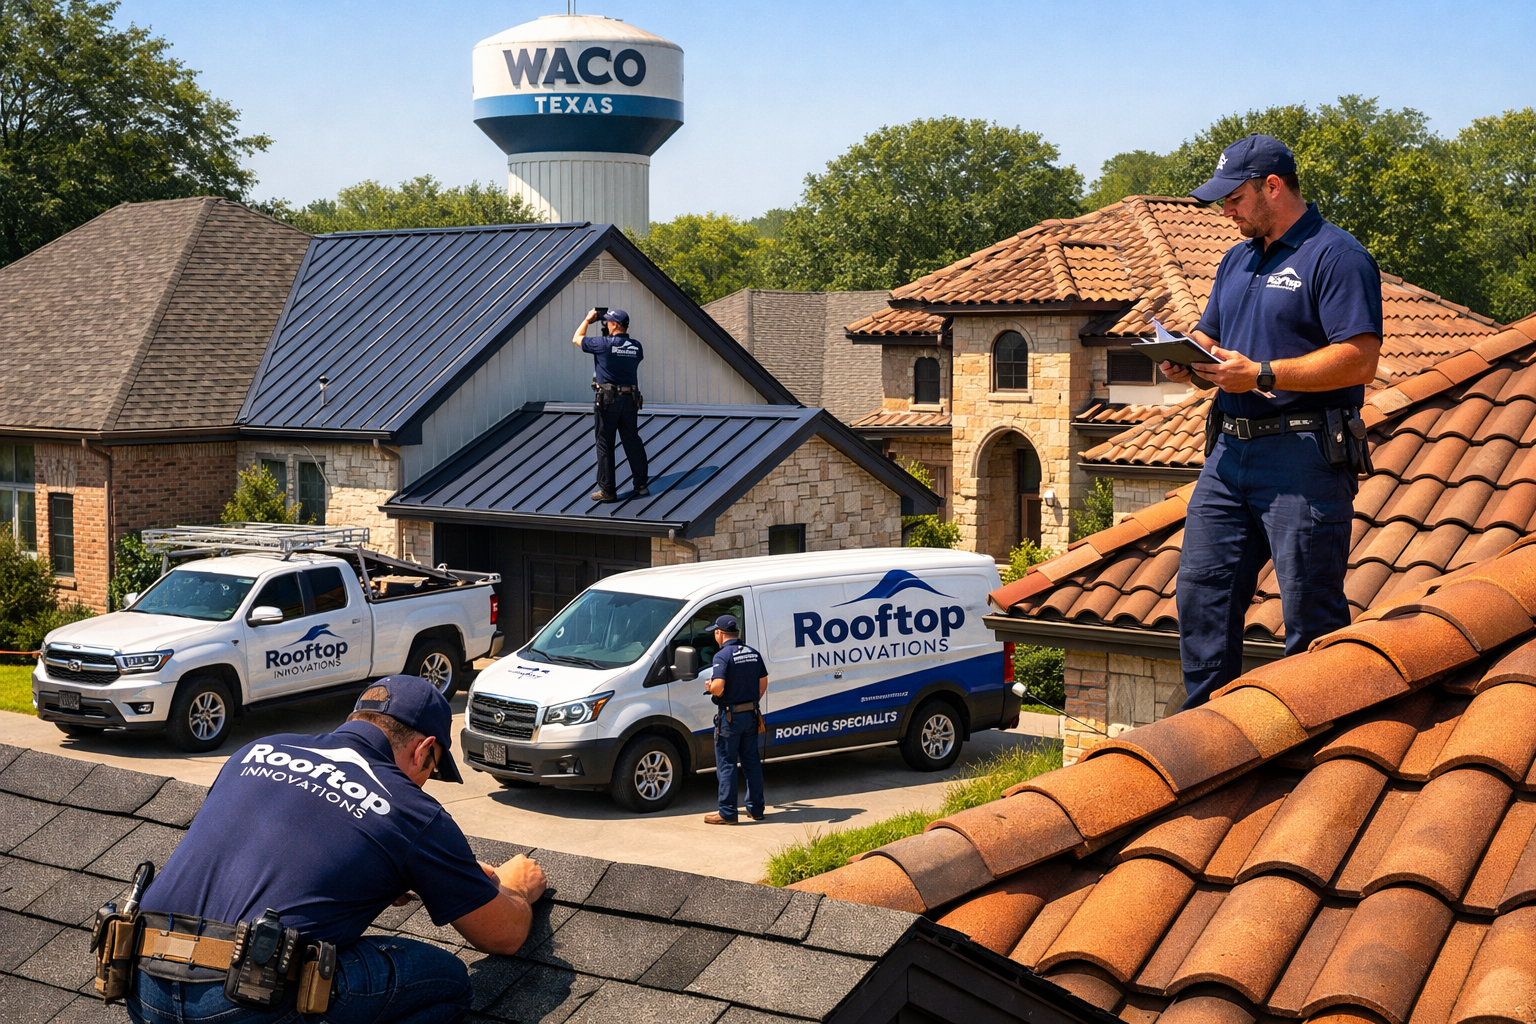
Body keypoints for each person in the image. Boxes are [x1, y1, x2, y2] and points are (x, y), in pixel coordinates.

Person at [124, 675, 547, 1024]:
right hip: (241, 1001)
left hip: (142, 983)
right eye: (433, 769)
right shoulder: (411, 808)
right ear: (424, 751)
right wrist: (515, 890)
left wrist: (401, 877)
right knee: (446, 981)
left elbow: (280, 848)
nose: (423, 781)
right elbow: (504, 936)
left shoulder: (257, 750)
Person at [1159, 133, 1382, 710]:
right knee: (1201, 595)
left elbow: (1359, 358)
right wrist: (1187, 357)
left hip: (1302, 457)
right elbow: (1212, 333)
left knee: (1310, 609)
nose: (1225, 211)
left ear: (1272, 187)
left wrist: (1261, 375)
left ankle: (1316, 740)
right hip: (1229, 455)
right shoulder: (1236, 258)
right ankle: (1210, 733)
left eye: (1233, 199)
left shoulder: (1338, 257)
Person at [572, 307, 649, 503]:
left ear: (614, 324)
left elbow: (577, 338)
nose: (605, 324)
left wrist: (588, 319)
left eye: (607, 321)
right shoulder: (636, 346)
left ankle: (608, 490)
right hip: (630, 401)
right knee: (632, 441)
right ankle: (641, 485)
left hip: (608, 402)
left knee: (605, 444)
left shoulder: (603, 344)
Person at [702, 614, 768, 825]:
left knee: (727, 764)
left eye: (715, 632)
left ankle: (727, 813)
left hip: (730, 718)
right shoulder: (753, 653)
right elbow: (763, 682)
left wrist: (710, 688)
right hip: (751, 715)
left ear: (720, 633)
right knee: (751, 762)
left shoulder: (722, 656)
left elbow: (719, 686)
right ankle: (756, 809)